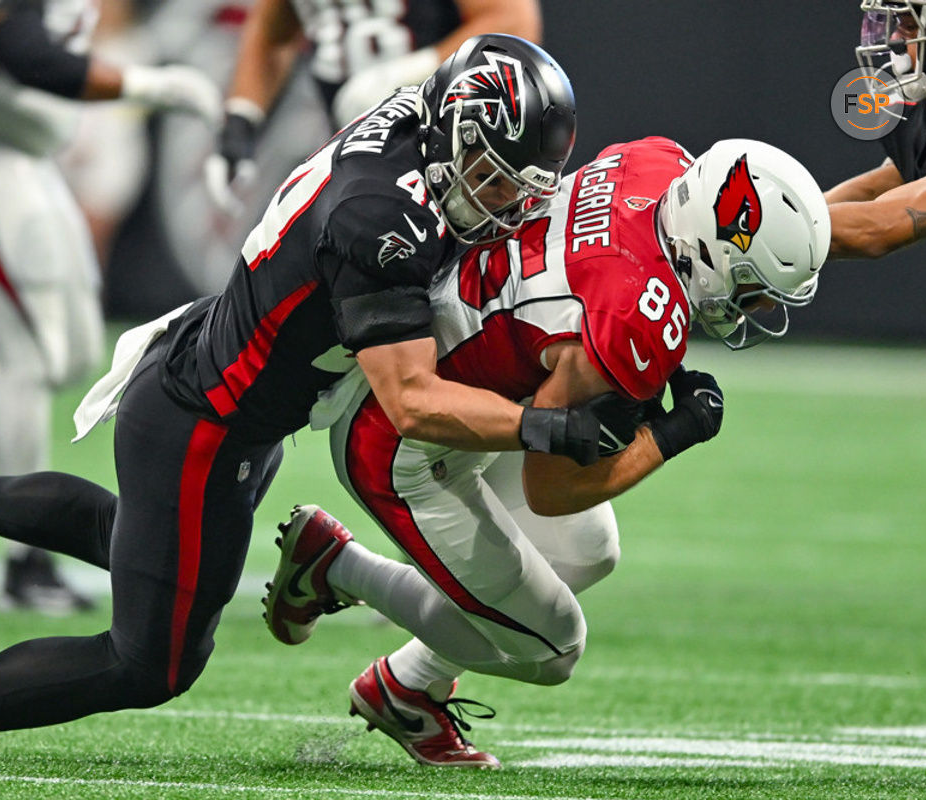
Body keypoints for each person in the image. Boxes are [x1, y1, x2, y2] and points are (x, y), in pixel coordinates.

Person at [0, 34, 584, 756]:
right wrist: (545, 426)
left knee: (140, 548)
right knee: (153, 661)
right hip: (207, 424)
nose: (504, 206)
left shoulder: (417, 123)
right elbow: (410, 399)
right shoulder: (384, 222)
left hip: (219, 382)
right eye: (489, 179)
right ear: (451, 137)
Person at [262, 136, 831, 767]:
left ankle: (405, 688)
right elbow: (552, 487)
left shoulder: (661, 165)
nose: (748, 309)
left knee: (587, 550)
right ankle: (335, 566)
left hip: (470, 371)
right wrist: (674, 434)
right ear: (712, 249)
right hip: (410, 438)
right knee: (551, 649)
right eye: (749, 290)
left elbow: (586, 286)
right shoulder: (632, 319)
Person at [0, 0, 221, 612]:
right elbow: (23, 52)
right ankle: (24, 558)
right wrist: (149, 85)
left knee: (71, 353)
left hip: (18, 138)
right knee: (27, 353)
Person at [204, 0, 542, 214]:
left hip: (453, 145)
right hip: (356, 155)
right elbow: (271, 31)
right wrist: (240, 121)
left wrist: (408, 74)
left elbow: (512, 21)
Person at [828, 0, 926, 256]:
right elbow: (875, 189)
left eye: (909, 27)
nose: (894, 40)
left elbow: (879, 227)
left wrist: (759, 231)